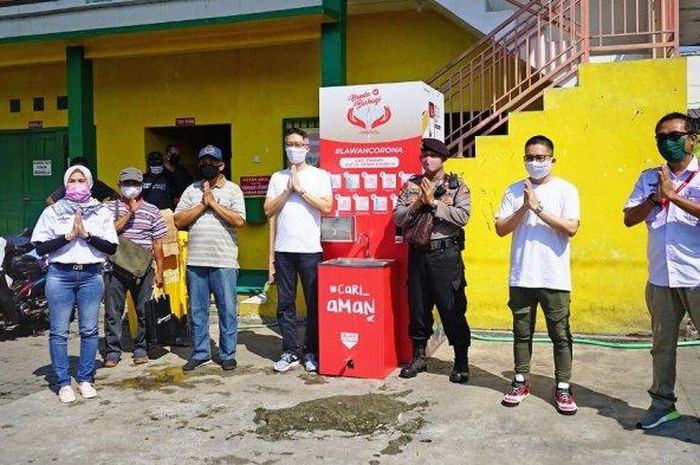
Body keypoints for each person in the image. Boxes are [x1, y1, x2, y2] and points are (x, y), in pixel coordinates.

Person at [623, 112, 700, 429]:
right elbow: (629, 218)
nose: (668, 142)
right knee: (662, 346)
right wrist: (656, 197)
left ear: (691, 138)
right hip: (661, 277)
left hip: (697, 277)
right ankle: (662, 403)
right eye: (661, 137)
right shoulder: (648, 177)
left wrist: (674, 197)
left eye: (674, 135)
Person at [494, 135, 580, 415]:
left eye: (541, 157)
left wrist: (538, 208)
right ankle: (520, 381)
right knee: (521, 332)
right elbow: (501, 228)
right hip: (522, 275)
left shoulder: (567, 189)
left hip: (553, 276)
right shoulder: (513, 190)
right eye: (530, 157)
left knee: (560, 334)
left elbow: (571, 228)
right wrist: (523, 206)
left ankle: (564, 386)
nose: (535, 162)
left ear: (552, 159)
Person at [31, 165, 118, 403]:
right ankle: (63, 383)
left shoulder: (101, 212)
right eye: (72, 180)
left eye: (81, 180)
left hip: (91, 275)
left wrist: (87, 236)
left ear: (89, 184)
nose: (77, 184)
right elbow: (40, 247)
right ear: (65, 184)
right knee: (59, 331)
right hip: (60, 275)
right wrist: (67, 237)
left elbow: (111, 247)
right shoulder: (53, 211)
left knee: (89, 330)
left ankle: (86, 378)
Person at [393, 138, 471, 383]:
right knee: (417, 308)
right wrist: (418, 202)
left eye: (433, 155)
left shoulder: (457, 185)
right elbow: (398, 218)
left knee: (452, 308)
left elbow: (463, 216)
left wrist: (434, 203)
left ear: (443, 159)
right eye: (423, 155)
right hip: (418, 253)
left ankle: (460, 360)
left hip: (445, 255)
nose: (427, 160)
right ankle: (418, 356)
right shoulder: (411, 186)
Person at [264, 128, 332, 373]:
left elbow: (327, 206)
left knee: (314, 304)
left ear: (306, 146)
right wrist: (287, 190)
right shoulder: (277, 177)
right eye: (288, 143)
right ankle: (290, 350)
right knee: (285, 304)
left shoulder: (320, 175)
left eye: (297, 144)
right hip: (284, 250)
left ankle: (312, 351)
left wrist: (301, 190)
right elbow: (268, 210)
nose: (293, 148)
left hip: (310, 249)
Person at [174, 145, 246, 371]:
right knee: (197, 311)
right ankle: (201, 353)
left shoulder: (233, 190)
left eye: (212, 162)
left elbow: (239, 221)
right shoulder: (191, 190)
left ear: (221, 165)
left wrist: (214, 204)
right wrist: (202, 204)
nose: (207, 165)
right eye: (203, 161)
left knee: (227, 310)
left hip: (224, 261)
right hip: (196, 261)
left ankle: (227, 354)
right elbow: (178, 221)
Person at [103, 167, 168, 368]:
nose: (131, 187)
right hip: (115, 269)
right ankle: (113, 351)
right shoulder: (107, 209)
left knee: (143, 310)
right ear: (119, 185)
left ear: (141, 185)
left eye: (135, 183)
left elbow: (158, 243)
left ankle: (140, 347)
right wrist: (129, 212)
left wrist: (160, 271)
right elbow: (108, 232)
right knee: (113, 312)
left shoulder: (152, 211)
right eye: (127, 183)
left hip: (143, 269)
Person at [45, 156, 119, 205]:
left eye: (81, 181)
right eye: (72, 181)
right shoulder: (67, 187)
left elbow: (115, 196)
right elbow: (49, 200)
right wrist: (60, 212)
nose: (78, 171)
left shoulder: (97, 185)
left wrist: (104, 207)